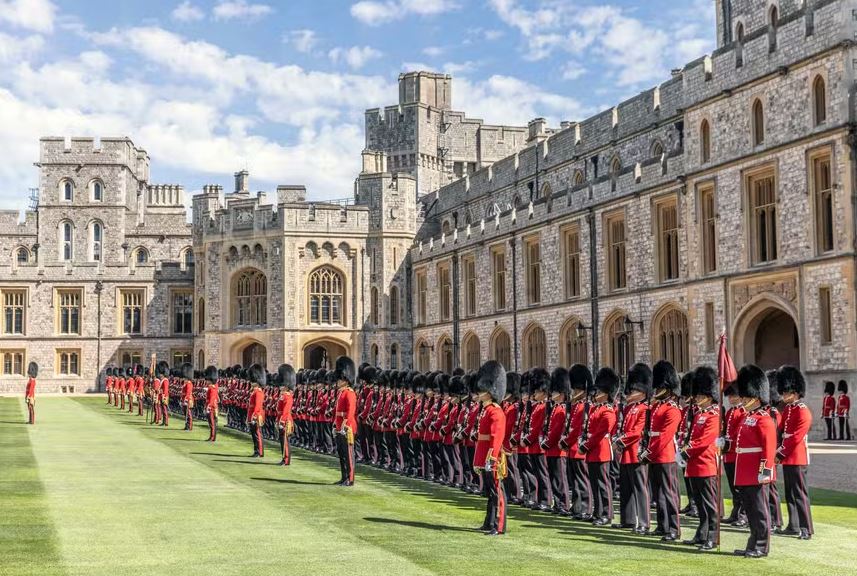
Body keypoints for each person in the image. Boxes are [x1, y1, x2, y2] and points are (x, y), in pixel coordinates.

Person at [733, 365, 777, 559]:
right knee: (751, 511)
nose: (742, 400)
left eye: (745, 397)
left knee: (759, 511)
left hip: (756, 471)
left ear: (756, 397)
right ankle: (753, 543)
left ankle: (761, 546)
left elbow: (768, 448)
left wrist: (765, 469)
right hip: (744, 470)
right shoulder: (748, 417)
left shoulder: (764, 419)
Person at [682, 366, 720, 551]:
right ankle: (702, 533)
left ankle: (713, 537)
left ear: (708, 395)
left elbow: (704, 441)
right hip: (695, 464)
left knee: (709, 505)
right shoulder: (699, 414)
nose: (696, 399)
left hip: (705, 464)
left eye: (699, 396)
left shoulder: (714, 415)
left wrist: (686, 452)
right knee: (700, 503)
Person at [644, 360, 683, 541]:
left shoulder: (672, 409)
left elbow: (665, 436)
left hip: (665, 454)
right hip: (655, 454)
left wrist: (649, 452)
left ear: (666, 388)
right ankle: (662, 525)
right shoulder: (657, 406)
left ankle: (674, 529)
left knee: (669, 493)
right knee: (658, 492)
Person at [775, 366, 813, 540]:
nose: (783, 396)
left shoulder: (803, 411)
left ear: (795, 392)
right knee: (790, 493)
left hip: (797, 457)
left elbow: (795, 437)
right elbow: (781, 431)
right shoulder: (789, 409)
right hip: (788, 458)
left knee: (800, 494)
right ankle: (794, 525)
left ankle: (806, 528)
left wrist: (780, 453)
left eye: (786, 392)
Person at [613, 363, 651, 534]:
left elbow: (637, 432)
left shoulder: (645, 409)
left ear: (642, 392)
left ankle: (644, 522)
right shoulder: (630, 408)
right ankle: (627, 519)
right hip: (625, 454)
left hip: (635, 452)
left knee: (640, 489)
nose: (630, 393)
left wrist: (620, 442)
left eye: (634, 390)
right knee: (626, 488)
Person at [580, 367, 619, 526]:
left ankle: (606, 514)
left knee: (603, 484)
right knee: (595, 484)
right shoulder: (597, 409)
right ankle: (597, 512)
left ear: (607, 393)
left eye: (600, 391)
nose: (596, 394)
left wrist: (586, 445)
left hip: (601, 450)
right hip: (593, 450)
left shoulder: (608, 411)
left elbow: (600, 433)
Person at [473, 360, 508, 536]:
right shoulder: (486, 410)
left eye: (482, 390)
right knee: (490, 492)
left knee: (497, 492)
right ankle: (489, 522)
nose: (479, 394)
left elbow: (496, 438)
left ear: (490, 391)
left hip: (491, 457)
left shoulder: (496, 411)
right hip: (484, 455)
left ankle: (499, 525)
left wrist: (492, 458)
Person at [563, 364, 593, 521]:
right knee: (574, 481)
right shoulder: (575, 406)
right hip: (571, 448)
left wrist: (566, 440)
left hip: (578, 448)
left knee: (582, 480)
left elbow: (576, 430)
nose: (573, 392)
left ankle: (586, 508)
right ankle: (576, 507)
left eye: (576, 389)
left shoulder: (583, 407)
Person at [543, 368, 570, 515]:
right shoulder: (555, 409)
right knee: (554, 478)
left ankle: (563, 504)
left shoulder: (561, 410)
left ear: (561, 393)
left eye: (554, 392)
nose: (552, 394)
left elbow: (557, 430)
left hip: (558, 449)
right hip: (551, 448)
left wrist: (547, 442)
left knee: (560, 479)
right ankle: (557, 502)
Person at [721, 383, 747, 526]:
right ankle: (735, 513)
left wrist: (727, 443)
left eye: (733, 395)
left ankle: (743, 515)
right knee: (733, 487)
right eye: (729, 396)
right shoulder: (730, 412)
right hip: (728, 454)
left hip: (736, 453)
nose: (731, 398)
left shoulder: (743, 411)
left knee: (740, 487)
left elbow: (739, 433)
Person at [333, 356, 358, 486]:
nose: (337, 381)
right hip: (339, 426)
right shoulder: (341, 393)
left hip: (346, 427)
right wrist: (335, 424)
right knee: (342, 454)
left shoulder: (349, 393)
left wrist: (345, 425)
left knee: (348, 455)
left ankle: (350, 478)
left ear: (346, 379)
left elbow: (350, 411)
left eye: (340, 378)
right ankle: (344, 477)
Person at [277, 364, 296, 465]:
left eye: (282, 385)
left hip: (285, 421)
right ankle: (284, 458)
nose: (280, 386)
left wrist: (282, 421)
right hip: (281, 419)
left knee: (285, 441)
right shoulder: (283, 395)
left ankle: (286, 459)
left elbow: (286, 410)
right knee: (282, 441)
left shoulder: (288, 396)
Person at [247, 364, 266, 457]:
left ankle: (260, 452)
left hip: (256, 415)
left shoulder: (258, 392)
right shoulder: (254, 391)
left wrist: (254, 416)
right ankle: (256, 450)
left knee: (257, 434)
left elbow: (257, 406)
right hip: (252, 415)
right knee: (254, 434)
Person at [204, 366, 220, 441]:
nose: (206, 381)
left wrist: (208, 407)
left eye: (207, 380)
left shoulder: (212, 388)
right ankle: (212, 436)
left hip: (212, 408)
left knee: (212, 423)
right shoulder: (211, 387)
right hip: (210, 406)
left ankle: (213, 437)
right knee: (211, 423)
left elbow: (212, 399)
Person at [182, 363, 195, 431]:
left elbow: (188, 393)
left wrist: (186, 400)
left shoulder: (189, 384)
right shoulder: (186, 383)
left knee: (189, 414)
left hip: (188, 400)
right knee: (185, 414)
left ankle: (189, 426)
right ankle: (186, 426)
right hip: (185, 399)